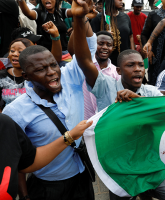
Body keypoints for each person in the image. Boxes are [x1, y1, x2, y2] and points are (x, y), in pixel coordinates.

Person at [71, 1, 165, 199]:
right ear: (118, 71)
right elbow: (84, 60)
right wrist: (78, 19)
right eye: (130, 65)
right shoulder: (105, 85)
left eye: (140, 65)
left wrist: (141, 102)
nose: (138, 68)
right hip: (117, 161)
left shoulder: (150, 90)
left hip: (148, 158)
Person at [2, 0, 97, 199]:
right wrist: (25, 196)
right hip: (48, 188)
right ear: (26, 76)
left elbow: (87, 50)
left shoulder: (70, 79)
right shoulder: (16, 112)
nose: (53, 73)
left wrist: (79, 18)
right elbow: (17, 162)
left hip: (83, 177)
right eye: (40, 70)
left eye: (53, 65)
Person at [0, 113, 92, 200]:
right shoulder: (14, 112)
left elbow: (27, 161)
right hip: (46, 187)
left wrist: (71, 136)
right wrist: (24, 195)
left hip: (80, 178)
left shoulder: (4, 124)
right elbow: (22, 163)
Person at [0, 21, 62, 111]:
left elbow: (55, 59)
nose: (15, 54)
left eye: (20, 52)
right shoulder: (2, 76)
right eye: (12, 51)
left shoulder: (37, 74)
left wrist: (55, 36)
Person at [83, 31, 120, 120]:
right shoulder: (85, 65)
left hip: (105, 120)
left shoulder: (115, 72)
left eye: (109, 45)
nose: (105, 47)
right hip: (84, 119)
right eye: (101, 43)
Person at [91, 0, 135, 66]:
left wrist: (133, 54)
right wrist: (104, 35)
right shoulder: (99, 18)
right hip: (106, 62)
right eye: (119, 0)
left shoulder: (126, 17)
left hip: (125, 59)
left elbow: (130, 36)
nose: (121, 1)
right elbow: (91, 39)